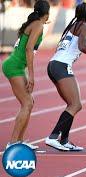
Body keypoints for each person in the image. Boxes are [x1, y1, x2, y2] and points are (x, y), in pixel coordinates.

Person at [45, 2, 86, 151]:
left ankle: (64, 140)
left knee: (72, 105)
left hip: (54, 64)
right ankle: (53, 137)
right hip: (62, 65)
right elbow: (82, 46)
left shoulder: (76, 24)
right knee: (75, 105)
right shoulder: (85, 27)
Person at [2, 0, 50, 150]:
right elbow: (29, 49)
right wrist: (31, 75)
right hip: (14, 66)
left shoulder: (35, 24)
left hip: (14, 64)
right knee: (27, 103)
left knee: (29, 102)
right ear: (47, 14)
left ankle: (19, 141)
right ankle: (13, 142)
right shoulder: (38, 25)